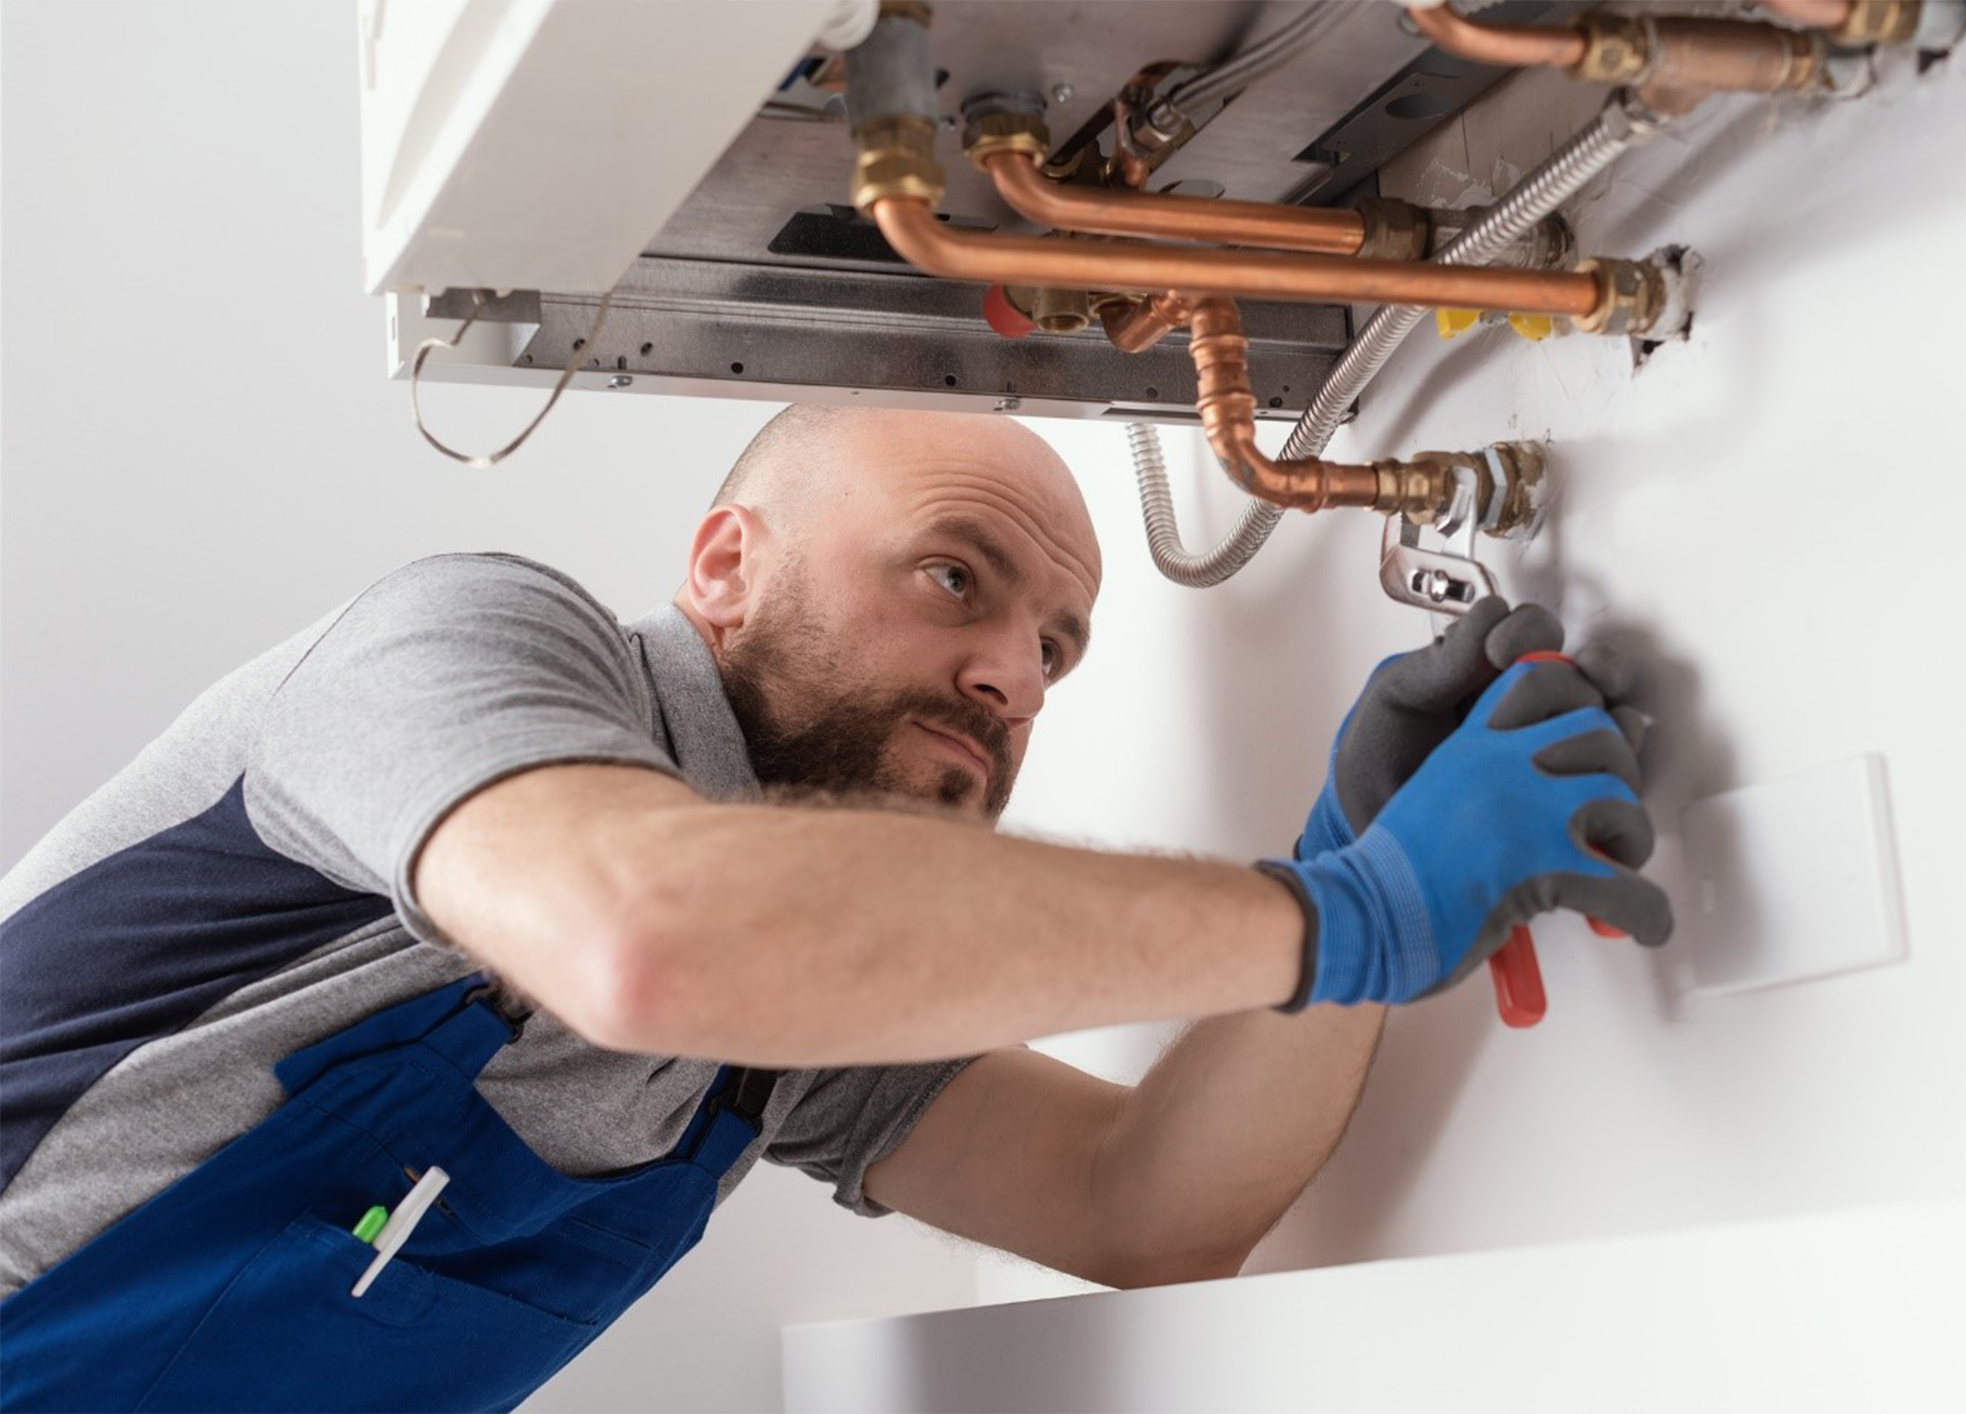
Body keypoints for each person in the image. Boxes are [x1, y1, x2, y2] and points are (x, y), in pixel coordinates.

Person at [0, 405, 1668, 1409]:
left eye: (1055, 650)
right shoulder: (468, 647)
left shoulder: (771, 1037)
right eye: (956, 576)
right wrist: (1359, 916)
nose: (1011, 673)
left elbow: (1143, 1205)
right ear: (724, 564)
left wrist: (1337, 875)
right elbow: (645, 932)